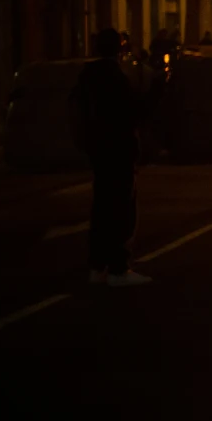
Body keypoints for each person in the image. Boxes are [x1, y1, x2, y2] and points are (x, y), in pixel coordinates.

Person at [70, 28, 161, 287]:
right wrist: (157, 90)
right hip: (119, 150)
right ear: (119, 48)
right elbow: (133, 113)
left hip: (98, 150)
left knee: (101, 208)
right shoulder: (115, 78)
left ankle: (97, 266)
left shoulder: (87, 77)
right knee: (122, 209)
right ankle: (118, 269)